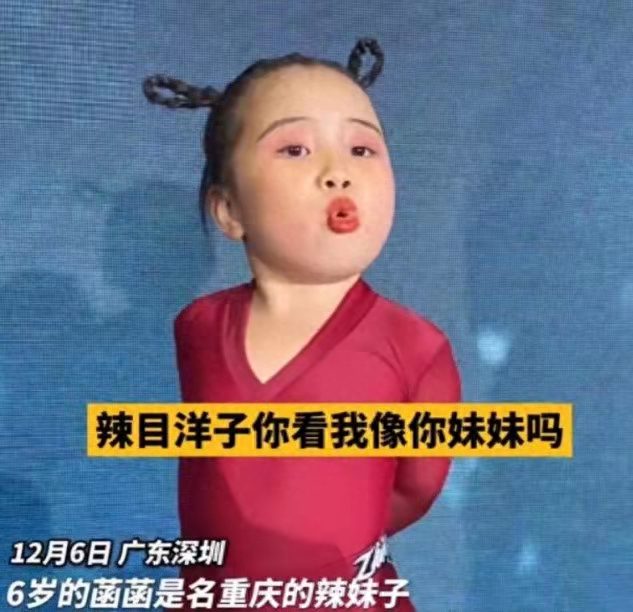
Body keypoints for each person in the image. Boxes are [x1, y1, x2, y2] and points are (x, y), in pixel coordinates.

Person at [143, 38, 461, 611]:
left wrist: (323, 548)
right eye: (295, 149)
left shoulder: (416, 348)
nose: (338, 174)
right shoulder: (199, 328)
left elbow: (415, 489)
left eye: (362, 149)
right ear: (229, 210)